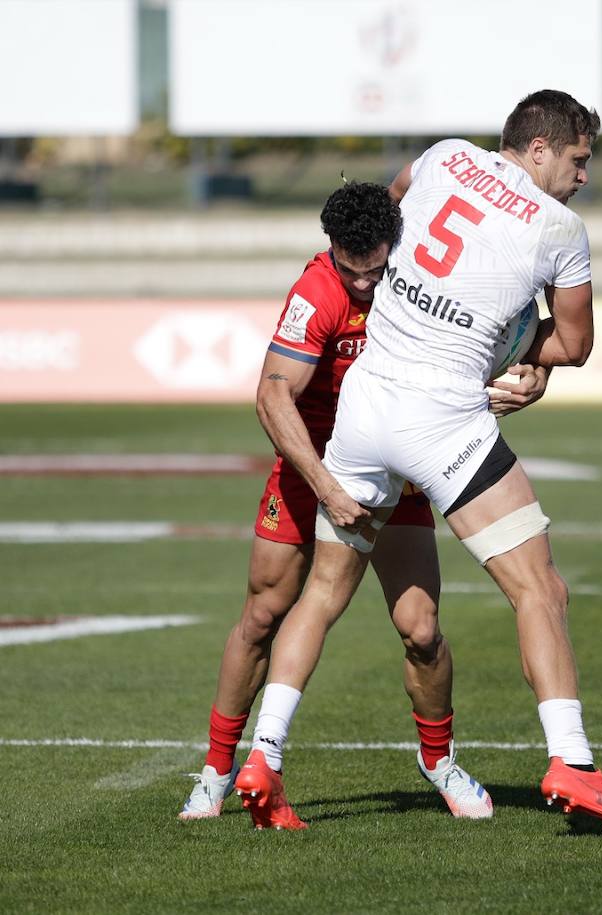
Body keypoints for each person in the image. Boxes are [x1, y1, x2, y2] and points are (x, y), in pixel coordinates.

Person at [232, 90, 602, 837]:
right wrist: (525, 355)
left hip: (366, 403)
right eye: (579, 159)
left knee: (323, 593)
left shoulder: (443, 155)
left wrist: (426, 303)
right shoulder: (562, 228)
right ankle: (572, 761)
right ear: (539, 149)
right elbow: (575, 343)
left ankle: (263, 754)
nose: (583, 176)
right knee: (539, 586)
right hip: (444, 416)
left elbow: (393, 211)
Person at [178, 181, 549, 823]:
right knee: (264, 614)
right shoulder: (318, 291)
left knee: (422, 631)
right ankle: (217, 769)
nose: (365, 286)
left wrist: (536, 367)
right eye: (352, 272)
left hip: (396, 465)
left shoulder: (420, 267)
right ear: (331, 251)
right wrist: (325, 484)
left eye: (375, 270)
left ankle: (439, 761)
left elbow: (517, 316)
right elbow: (272, 397)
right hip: (313, 468)